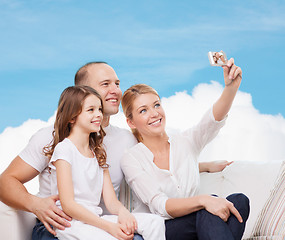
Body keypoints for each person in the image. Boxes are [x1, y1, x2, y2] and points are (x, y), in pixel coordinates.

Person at [0, 62, 144, 240]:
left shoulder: (126, 139)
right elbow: (6, 181)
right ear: (82, 91)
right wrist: (35, 204)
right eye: (105, 84)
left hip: (102, 226)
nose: (115, 90)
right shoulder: (51, 138)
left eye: (117, 83)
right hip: (60, 226)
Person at [120, 58, 250, 240]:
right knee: (208, 206)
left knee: (239, 201)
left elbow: (211, 123)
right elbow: (160, 205)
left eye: (156, 104)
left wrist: (231, 88)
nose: (154, 113)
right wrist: (203, 200)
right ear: (131, 122)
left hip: (199, 223)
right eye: (143, 110)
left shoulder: (184, 142)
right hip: (163, 229)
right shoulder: (132, 158)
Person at [44, 85, 165, 240]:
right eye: (91, 110)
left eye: (99, 109)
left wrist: (123, 214)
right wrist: (110, 227)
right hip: (71, 224)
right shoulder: (64, 149)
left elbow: (111, 201)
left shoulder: (98, 153)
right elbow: (68, 205)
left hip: (95, 219)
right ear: (72, 117)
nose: (98, 115)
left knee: (155, 222)